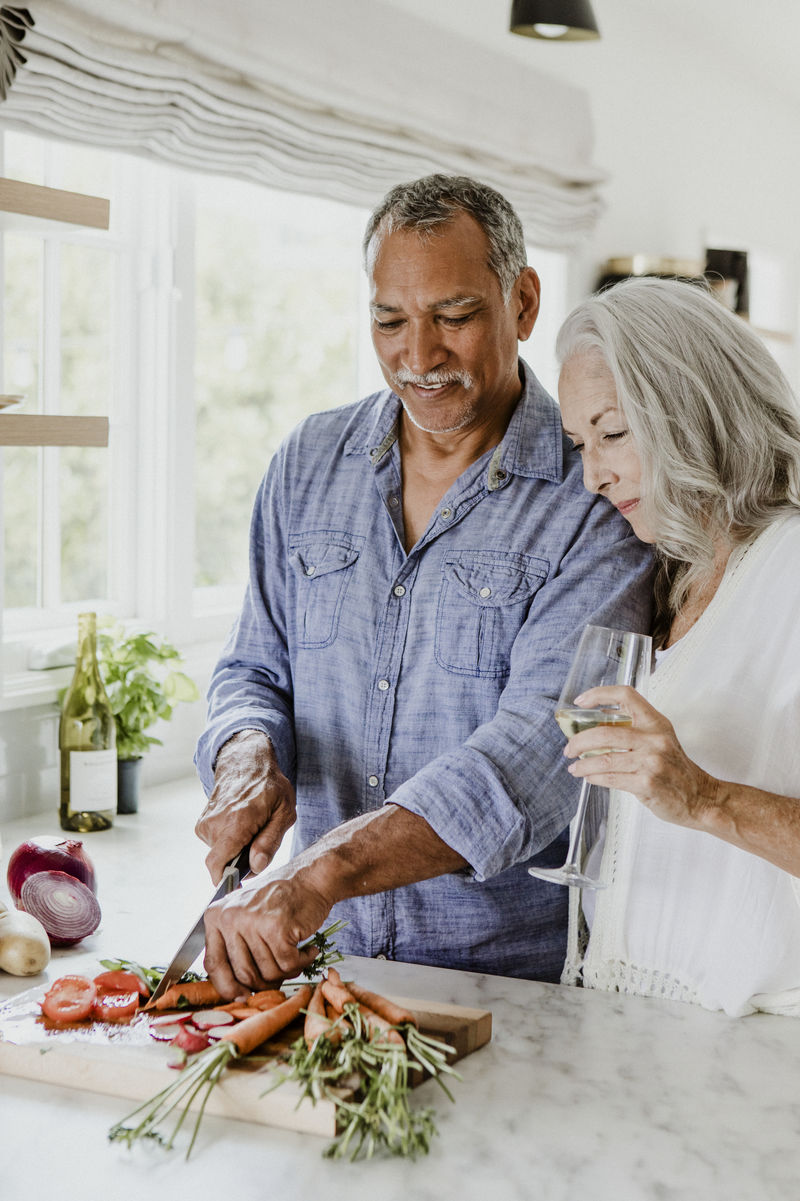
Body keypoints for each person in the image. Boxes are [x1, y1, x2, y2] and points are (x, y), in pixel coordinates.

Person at [193, 174, 652, 998]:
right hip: (321, 968)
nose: (418, 356)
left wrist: (321, 871)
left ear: (522, 301)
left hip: (507, 987)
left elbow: (542, 751)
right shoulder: (307, 464)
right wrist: (246, 755)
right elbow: (253, 669)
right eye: (389, 320)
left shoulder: (596, 496)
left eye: (454, 315)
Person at [556, 274, 800, 1017]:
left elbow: (692, 800)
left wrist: (704, 797)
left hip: (759, 1043)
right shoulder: (672, 573)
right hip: (643, 1026)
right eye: (579, 444)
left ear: (690, 406)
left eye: (612, 433)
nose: (593, 475)